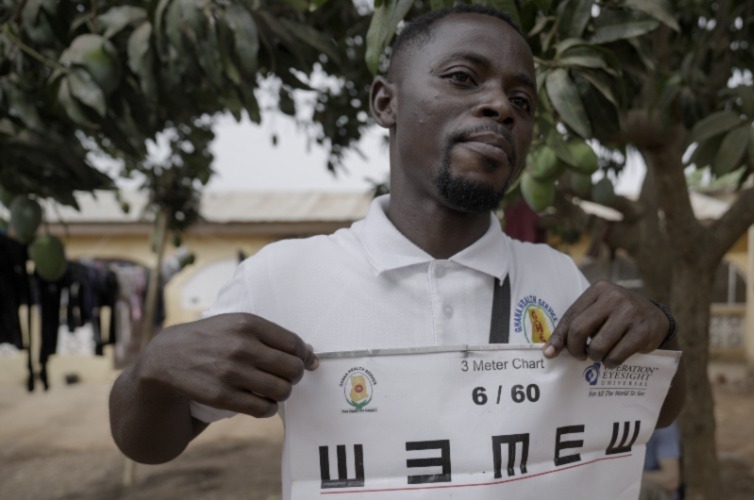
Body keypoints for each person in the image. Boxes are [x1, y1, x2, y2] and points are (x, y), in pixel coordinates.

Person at [109, 4, 685, 496]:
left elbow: (655, 409)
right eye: (464, 77)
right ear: (385, 101)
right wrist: (152, 374)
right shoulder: (283, 278)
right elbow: (152, 443)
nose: (502, 108)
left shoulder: (557, 276)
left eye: (523, 101)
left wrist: (659, 330)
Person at [640, 422, 683, 500]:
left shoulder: (664, 426)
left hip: (662, 493)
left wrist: (633, 476)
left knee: (640, 488)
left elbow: (672, 480)